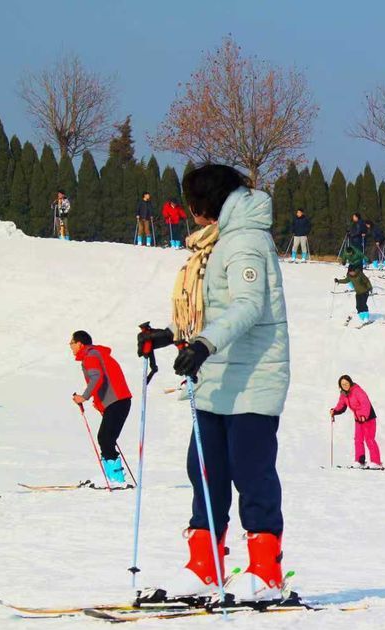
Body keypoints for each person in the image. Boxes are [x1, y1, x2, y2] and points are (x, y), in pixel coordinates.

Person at [135, 164, 291, 603]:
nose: (190, 212)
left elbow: (247, 306)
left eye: (192, 202)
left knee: (251, 472)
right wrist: (170, 335)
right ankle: (205, 567)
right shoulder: (219, 241)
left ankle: (265, 572)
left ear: (207, 203)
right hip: (217, 378)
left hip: (252, 377)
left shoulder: (245, 241)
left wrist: (203, 344)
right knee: (205, 470)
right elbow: (213, 307)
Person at [70, 330, 133, 486]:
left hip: (117, 401)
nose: (70, 346)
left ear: (80, 344)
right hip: (119, 401)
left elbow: (97, 377)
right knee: (106, 438)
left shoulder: (90, 356)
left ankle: (116, 480)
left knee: (105, 439)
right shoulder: (97, 354)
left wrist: (84, 397)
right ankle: (113, 477)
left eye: (72, 343)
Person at [330, 375, 382, 468]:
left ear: (350, 382)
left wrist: (364, 415)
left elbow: (365, 403)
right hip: (358, 419)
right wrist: (334, 411)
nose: (345, 385)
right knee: (358, 439)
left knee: (369, 439)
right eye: (342, 384)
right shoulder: (343, 394)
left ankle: (376, 462)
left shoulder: (357, 391)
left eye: (346, 383)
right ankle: (360, 461)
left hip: (368, 417)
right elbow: (341, 405)